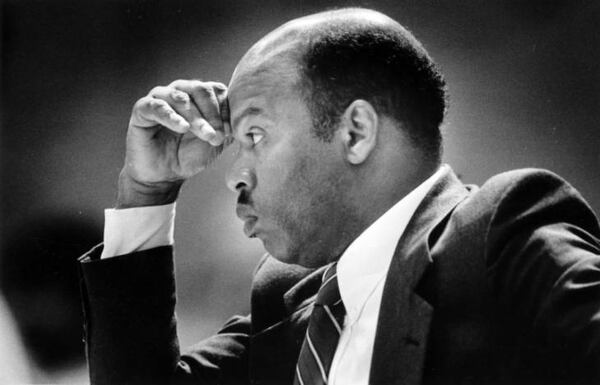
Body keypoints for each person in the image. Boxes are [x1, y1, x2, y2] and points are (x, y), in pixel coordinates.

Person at [78, 7, 600, 385]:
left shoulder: (502, 233)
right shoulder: (288, 308)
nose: (234, 174)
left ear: (355, 133)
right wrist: (147, 191)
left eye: (255, 136)